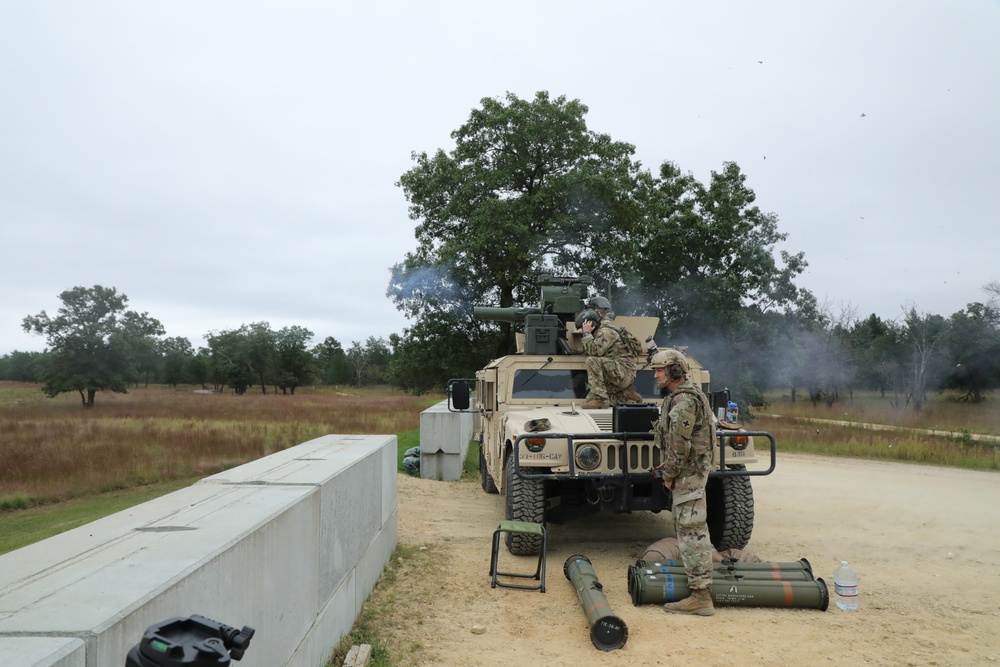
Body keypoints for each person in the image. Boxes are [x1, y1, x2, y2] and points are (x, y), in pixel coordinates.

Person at [649, 348, 717, 616]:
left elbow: (679, 447)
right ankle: (699, 591)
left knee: (691, 532)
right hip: (689, 473)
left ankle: (701, 596)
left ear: (674, 370)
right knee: (689, 528)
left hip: (687, 476)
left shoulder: (684, 402)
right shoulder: (682, 397)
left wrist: (669, 475)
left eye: (660, 370)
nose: (655, 375)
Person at [577, 309, 639, 409]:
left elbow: (594, 351)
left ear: (590, 323)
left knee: (591, 361)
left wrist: (587, 333)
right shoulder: (603, 331)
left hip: (623, 371)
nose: (582, 330)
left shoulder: (605, 332)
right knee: (596, 394)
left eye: (582, 327)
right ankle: (626, 395)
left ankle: (600, 399)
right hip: (620, 371)